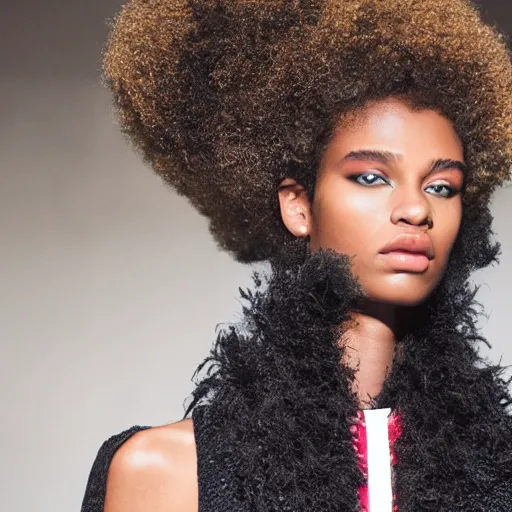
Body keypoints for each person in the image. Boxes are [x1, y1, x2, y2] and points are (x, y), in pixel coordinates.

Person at [81, 0, 512, 510]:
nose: (417, 209)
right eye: (371, 177)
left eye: (442, 186)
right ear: (299, 205)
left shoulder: (500, 468)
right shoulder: (168, 472)